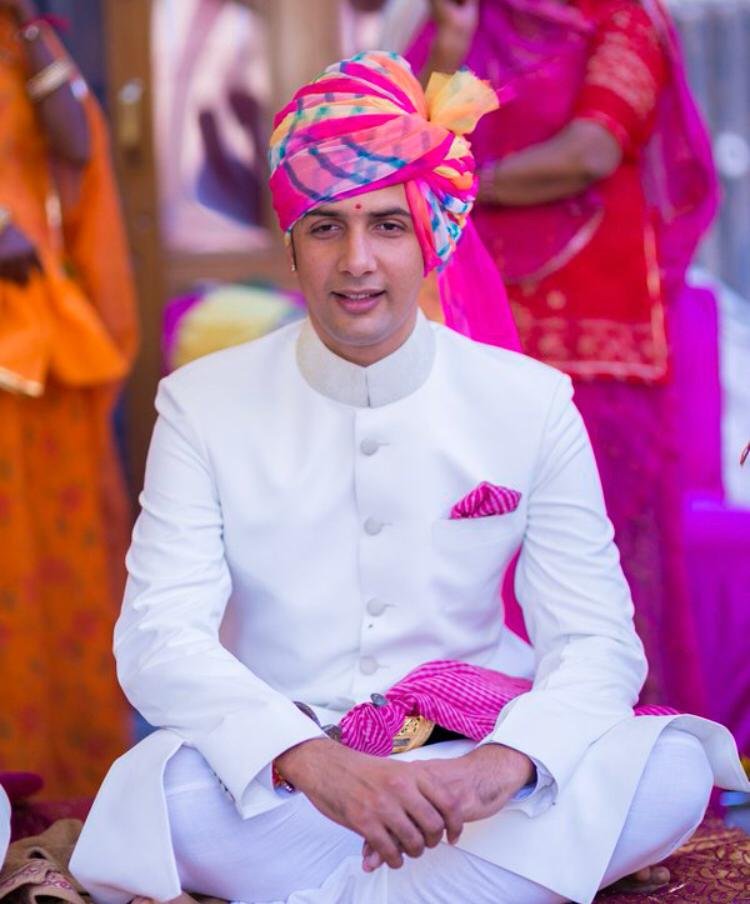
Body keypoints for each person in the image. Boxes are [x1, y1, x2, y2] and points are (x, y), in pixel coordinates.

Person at [70, 53, 748, 904]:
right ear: (292, 245)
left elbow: (596, 640)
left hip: (468, 763)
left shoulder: (530, 401)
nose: (358, 260)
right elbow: (160, 638)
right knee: (170, 796)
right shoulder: (200, 404)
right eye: (327, 227)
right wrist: (318, 766)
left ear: (430, 238)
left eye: (388, 225)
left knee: (673, 767)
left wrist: (505, 765)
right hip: (289, 772)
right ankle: (480, 884)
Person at [403, 0, 717, 712]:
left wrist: (461, 184)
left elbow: (591, 151)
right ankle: (477, 739)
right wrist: (452, 40)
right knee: (475, 558)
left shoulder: (621, 19)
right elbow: (415, 139)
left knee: (596, 571)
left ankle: (616, 741)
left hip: (597, 349)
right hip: (479, 323)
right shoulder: (474, 16)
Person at [0, 0, 138, 796]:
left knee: (57, 559)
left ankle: (59, 787)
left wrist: (26, 24)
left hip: (38, 338)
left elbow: (77, 143)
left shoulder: (23, 40)